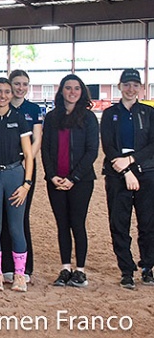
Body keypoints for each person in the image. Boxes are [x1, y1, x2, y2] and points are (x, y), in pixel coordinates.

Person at [42, 74, 98, 287]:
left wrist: (73, 178)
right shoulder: (52, 117)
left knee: (77, 223)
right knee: (62, 225)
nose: (72, 92)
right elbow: (46, 149)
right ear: (61, 91)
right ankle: (65, 268)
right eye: (68, 88)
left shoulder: (89, 118)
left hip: (81, 182)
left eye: (76, 88)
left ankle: (80, 270)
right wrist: (52, 175)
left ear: (82, 91)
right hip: (55, 181)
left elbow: (92, 151)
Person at [100, 69, 154, 289]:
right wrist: (124, 171)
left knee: (148, 223)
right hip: (116, 173)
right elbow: (108, 146)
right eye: (127, 84)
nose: (131, 89)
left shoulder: (149, 113)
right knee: (119, 223)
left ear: (141, 88)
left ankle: (147, 266)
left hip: (146, 172)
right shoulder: (110, 113)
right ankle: (126, 270)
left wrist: (131, 160)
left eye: (135, 85)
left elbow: (152, 145)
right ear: (120, 86)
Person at [0, 77, 34, 292]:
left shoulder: (19, 119)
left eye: (7, 92)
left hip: (15, 176)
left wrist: (26, 184)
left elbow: (28, 155)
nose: (3, 96)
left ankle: (20, 275)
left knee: (16, 228)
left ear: (12, 95)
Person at [1, 70, 43, 284]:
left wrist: (28, 162)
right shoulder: (2, 109)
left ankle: (25, 266)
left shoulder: (33, 109)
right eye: (16, 84)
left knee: (21, 216)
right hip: (3, 167)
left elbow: (37, 139)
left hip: (25, 166)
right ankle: (5, 265)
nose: (20, 87)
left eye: (24, 84)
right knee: (2, 216)